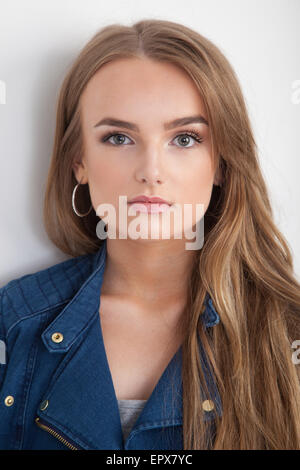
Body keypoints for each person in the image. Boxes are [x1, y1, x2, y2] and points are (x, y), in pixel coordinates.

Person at [0, 18, 300, 451]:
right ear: (78, 161)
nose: (151, 172)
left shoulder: (285, 331)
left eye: (184, 138)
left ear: (221, 163)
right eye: (119, 137)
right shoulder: (15, 326)